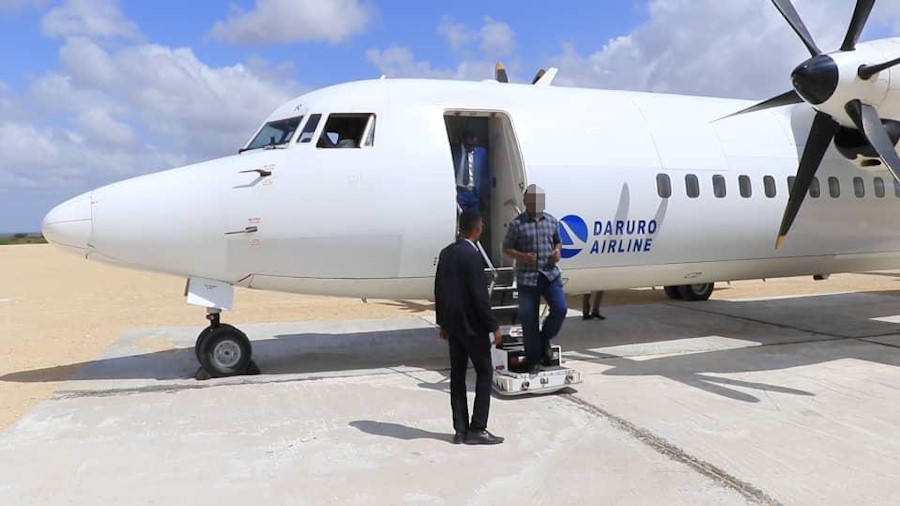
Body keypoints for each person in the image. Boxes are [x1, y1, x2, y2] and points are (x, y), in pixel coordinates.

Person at [434, 208, 504, 446]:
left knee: (457, 375)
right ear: (476, 229)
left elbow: (439, 290)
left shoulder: (446, 253)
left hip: (453, 327)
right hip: (473, 328)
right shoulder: (473, 256)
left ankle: (460, 430)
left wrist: (442, 322)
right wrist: (493, 326)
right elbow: (479, 297)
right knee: (484, 374)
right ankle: (478, 428)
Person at [502, 185, 568, 374]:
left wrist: (557, 251)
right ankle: (533, 360)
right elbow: (506, 248)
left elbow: (557, 241)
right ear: (526, 202)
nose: (537, 204)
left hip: (550, 275)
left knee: (560, 309)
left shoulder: (552, 221)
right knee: (529, 321)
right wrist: (522, 256)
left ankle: (544, 337)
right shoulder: (517, 224)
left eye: (540, 200)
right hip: (528, 278)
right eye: (533, 200)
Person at [451, 130, 491, 213]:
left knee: (474, 217)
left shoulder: (481, 153)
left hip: (474, 193)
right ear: (464, 141)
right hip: (459, 192)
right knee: (460, 217)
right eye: (469, 145)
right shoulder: (454, 151)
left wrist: (486, 197)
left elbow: (484, 175)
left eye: (474, 145)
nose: (472, 148)